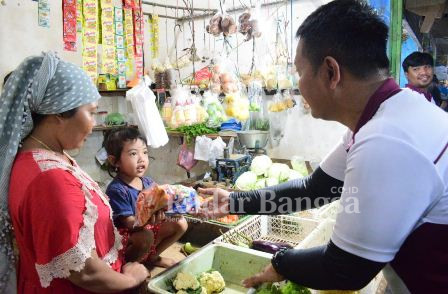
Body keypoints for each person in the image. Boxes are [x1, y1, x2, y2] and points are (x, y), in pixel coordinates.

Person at [198, 1, 448, 293]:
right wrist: (234, 201)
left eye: (300, 72)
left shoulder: (385, 140)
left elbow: (344, 270)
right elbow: (315, 189)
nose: (299, 84)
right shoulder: (389, 113)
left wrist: (281, 263)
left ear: (331, 71)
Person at [2, 52, 149, 293]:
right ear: (59, 112)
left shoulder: (49, 157)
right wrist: (131, 279)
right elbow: (85, 272)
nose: (92, 124)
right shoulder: (49, 179)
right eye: (90, 112)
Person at [104, 127, 188, 268]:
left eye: (145, 152)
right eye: (133, 154)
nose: (141, 158)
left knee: (180, 222)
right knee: (145, 235)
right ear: (114, 161)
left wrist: (175, 205)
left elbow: (161, 203)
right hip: (127, 239)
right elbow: (130, 223)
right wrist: (148, 217)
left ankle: (151, 258)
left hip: (147, 228)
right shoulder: (117, 190)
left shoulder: (147, 182)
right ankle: (131, 266)